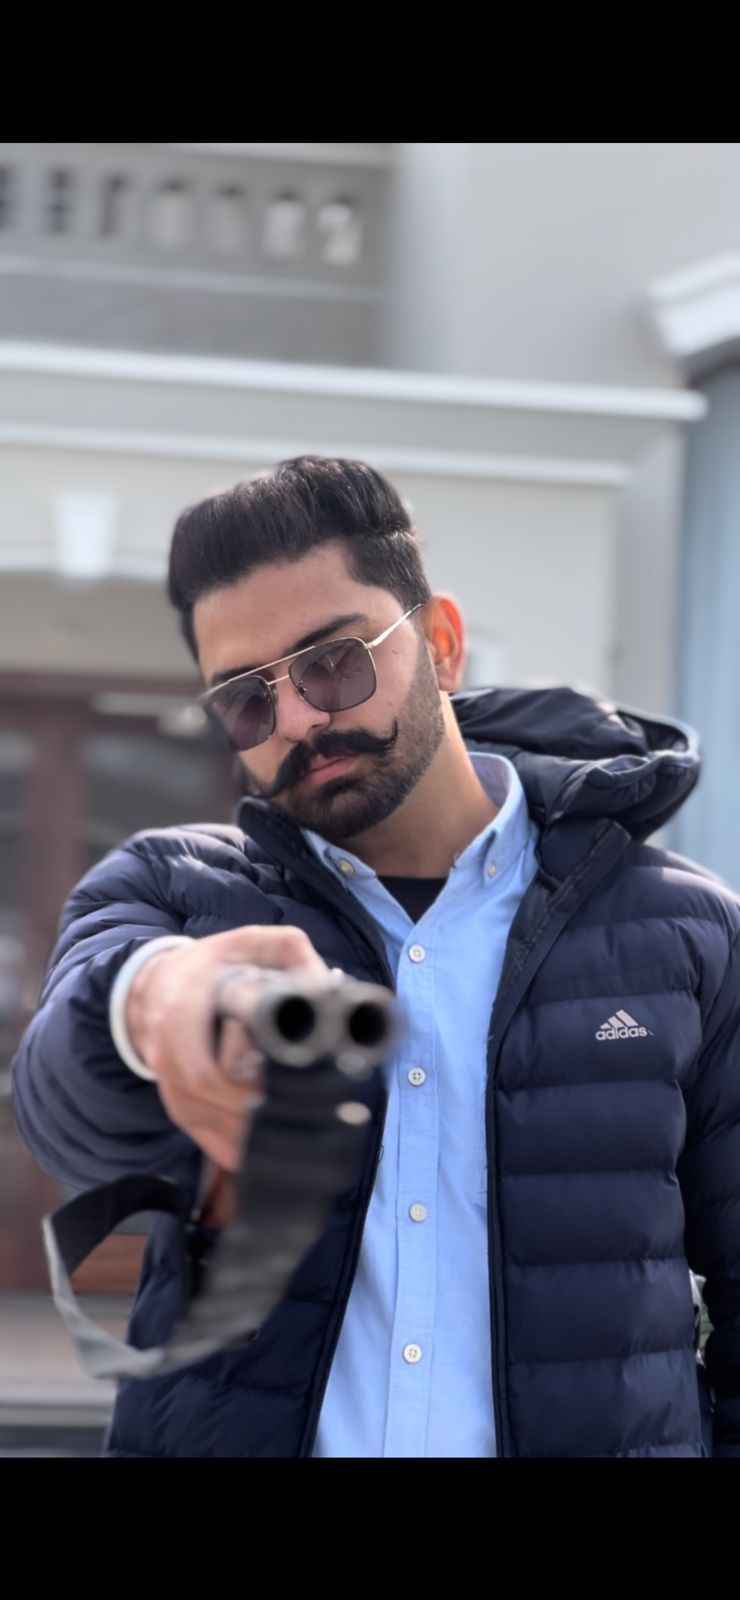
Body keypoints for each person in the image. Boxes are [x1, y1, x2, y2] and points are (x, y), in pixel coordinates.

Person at [11, 455, 740, 1460]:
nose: (300, 719)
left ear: (440, 643)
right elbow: (62, 1108)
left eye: (333, 662)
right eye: (247, 698)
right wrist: (151, 1001)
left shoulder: (686, 933)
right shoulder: (171, 892)